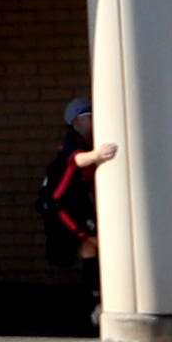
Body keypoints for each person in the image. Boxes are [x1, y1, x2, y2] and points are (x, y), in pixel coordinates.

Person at [37, 98, 119, 297]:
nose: (93, 120)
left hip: (77, 204)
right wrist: (98, 154)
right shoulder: (72, 141)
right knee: (94, 243)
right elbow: (78, 160)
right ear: (77, 121)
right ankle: (100, 297)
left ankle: (97, 297)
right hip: (62, 206)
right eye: (89, 116)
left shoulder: (87, 141)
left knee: (90, 248)